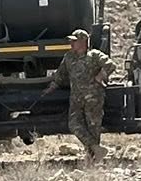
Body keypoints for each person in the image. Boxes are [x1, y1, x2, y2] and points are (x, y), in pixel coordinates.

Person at [40, 28, 114, 161]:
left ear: (83, 41)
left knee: (93, 127)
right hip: (76, 99)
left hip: (93, 98)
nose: (71, 43)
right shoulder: (69, 57)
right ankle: (96, 149)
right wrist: (50, 88)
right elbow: (60, 75)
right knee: (74, 124)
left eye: (74, 41)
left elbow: (110, 65)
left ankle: (93, 158)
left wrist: (100, 76)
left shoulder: (94, 55)